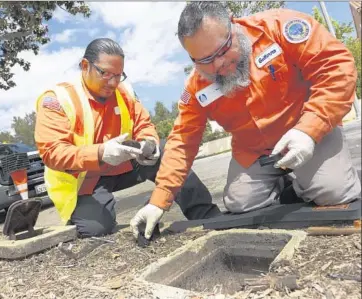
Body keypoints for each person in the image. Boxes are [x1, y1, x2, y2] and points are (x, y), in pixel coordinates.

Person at [130, 2, 361, 237]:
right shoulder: (197, 88)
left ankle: (320, 175)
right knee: (240, 204)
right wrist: (158, 202)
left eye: (222, 50)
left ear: (232, 22)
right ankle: (292, 182)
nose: (217, 65)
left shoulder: (279, 27)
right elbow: (181, 142)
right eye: (204, 60)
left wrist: (309, 130)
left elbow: (336, 68)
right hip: (255, 152)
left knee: (333, 193)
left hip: (310, 133)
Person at [34, 38, 220, 238]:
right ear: (85, 66)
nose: (113, 82)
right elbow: (52, 152)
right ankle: (89, 216)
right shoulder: (58, 99)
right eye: (105, 73)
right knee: (96, 230)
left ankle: (208, 217)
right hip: (85, 179)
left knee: (169, 153)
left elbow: (144, 124)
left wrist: (150, 142)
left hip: (125, 165)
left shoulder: (124, 92)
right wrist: (101, 152)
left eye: (118, 75)